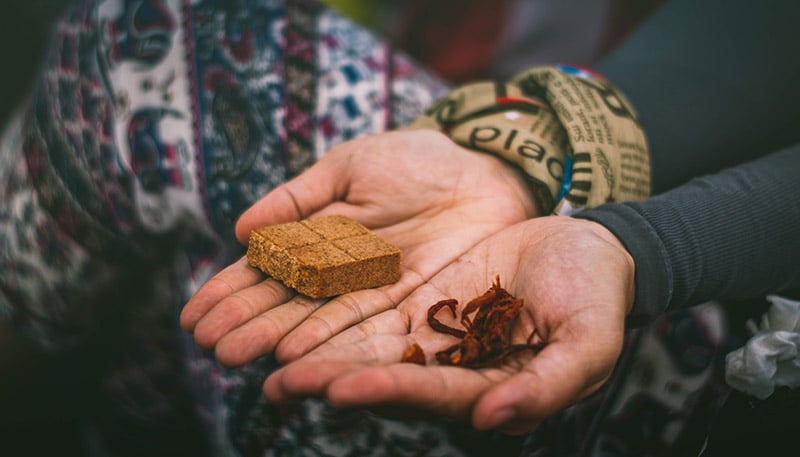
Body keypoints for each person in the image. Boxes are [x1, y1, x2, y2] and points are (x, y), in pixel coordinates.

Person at [181, 0, 800, 455]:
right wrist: (523, 152)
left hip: (709, 372)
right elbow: (769, 28)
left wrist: (641, 250)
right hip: (627, 179)